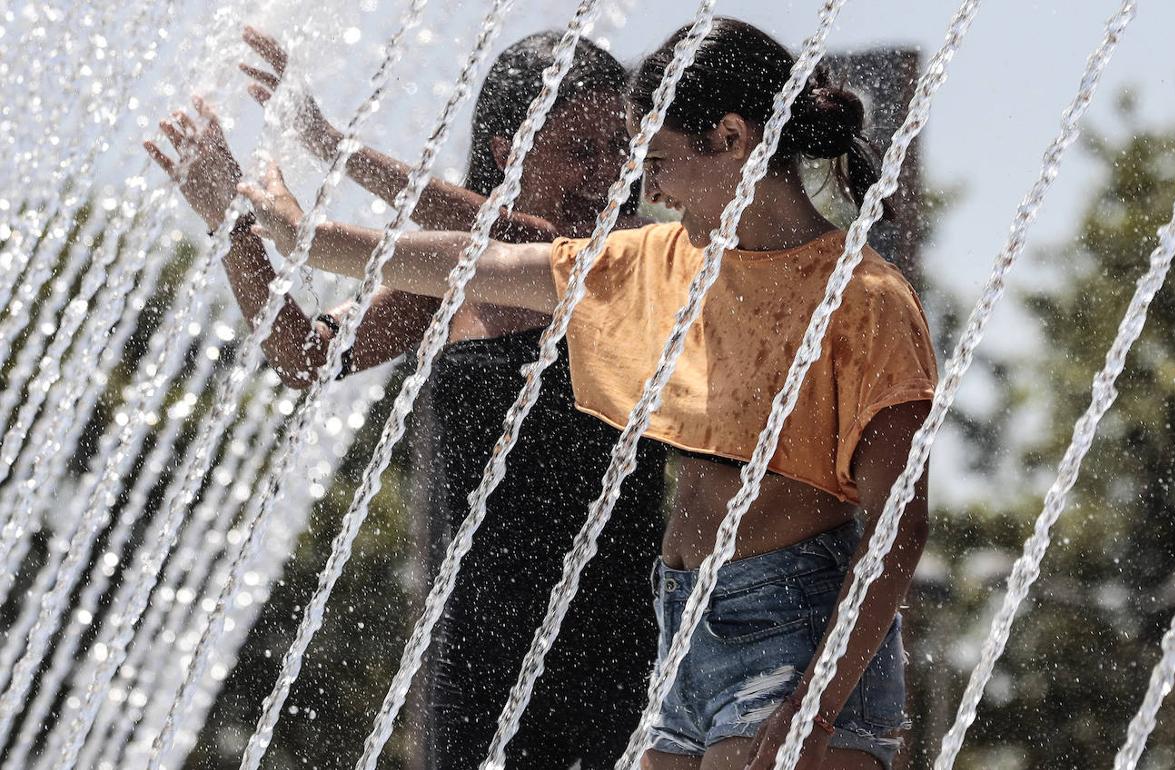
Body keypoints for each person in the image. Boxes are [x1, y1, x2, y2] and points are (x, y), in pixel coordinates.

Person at [236, 17, 937, 770]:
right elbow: (471, 263)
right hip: (678, 629)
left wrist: (818, 704)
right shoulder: (662, 263)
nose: (649, 185)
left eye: (658, 158)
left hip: (787, 627)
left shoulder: (864, 299)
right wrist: (290, 229)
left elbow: (897, 529)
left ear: (733, 139)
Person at [146, 28, 667, 769]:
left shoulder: (638, 262)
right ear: (505, 153)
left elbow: (522, 232)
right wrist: (233, 228)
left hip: (620, 631)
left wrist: (329, 143)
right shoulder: (452, 281)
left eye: (622, 147)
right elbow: (304, 356)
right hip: (476, 641)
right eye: (583, 152)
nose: (612, 173)